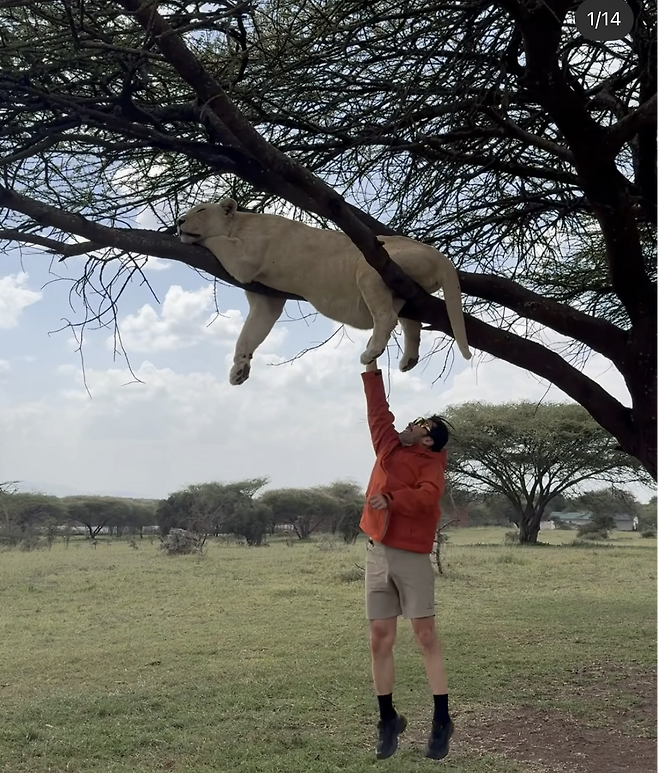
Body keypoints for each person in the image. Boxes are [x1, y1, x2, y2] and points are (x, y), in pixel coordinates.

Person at [359, 359, 453, 761]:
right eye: (415, 421)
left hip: (411, 557)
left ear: (429, 441)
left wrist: (392, 499)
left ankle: (442, 719)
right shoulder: (388, 446)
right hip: (377, 554)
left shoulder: (431, 463)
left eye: (423, 426)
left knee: (425, 637)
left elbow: (426, 498)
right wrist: (371, 367)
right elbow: (379, 411)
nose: (414, 425)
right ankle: (387, 719)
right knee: (380, 638)